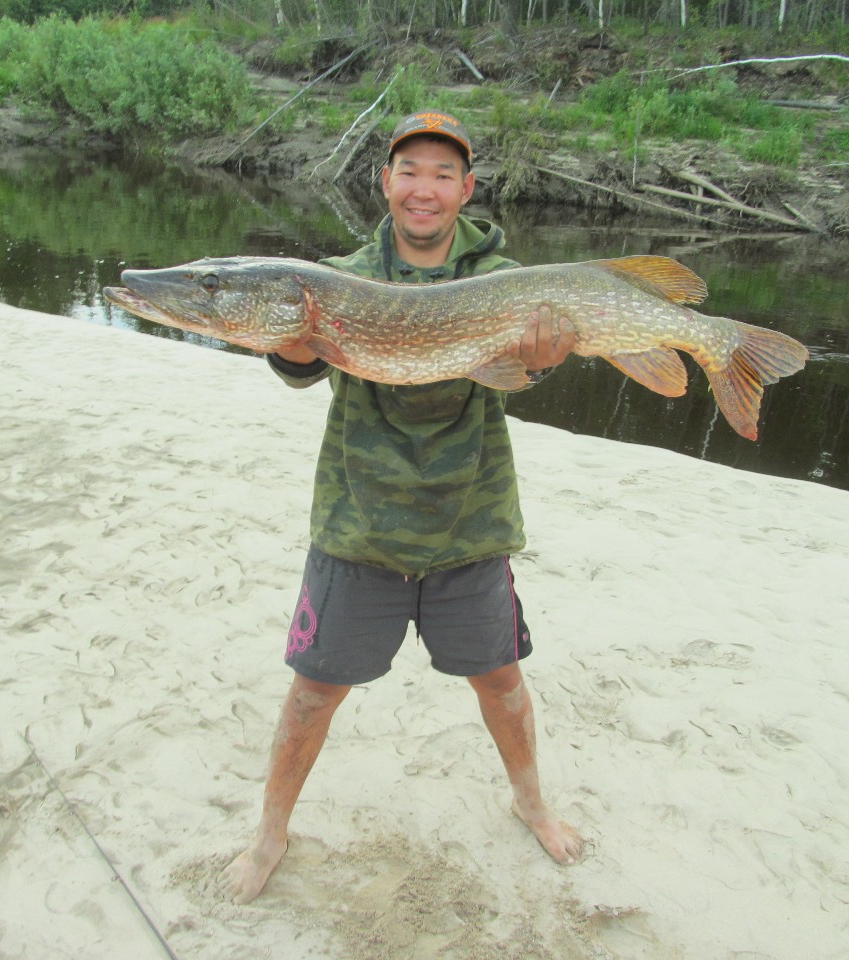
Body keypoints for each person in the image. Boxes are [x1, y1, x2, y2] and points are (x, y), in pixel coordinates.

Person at [221, 110, 583, 904]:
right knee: (313, 692)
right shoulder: (338, 277)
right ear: (385, 181)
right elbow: (300, 369)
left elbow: (517, 375)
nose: (425, 188)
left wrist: (541, 359)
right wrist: (292, 343)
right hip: (359, 520)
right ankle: (270, 833)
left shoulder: (505, 278)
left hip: (470, 520)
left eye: (442, 173)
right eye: (409, 170)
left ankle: (531, 802)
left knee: (501, 681)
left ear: (467, 188)